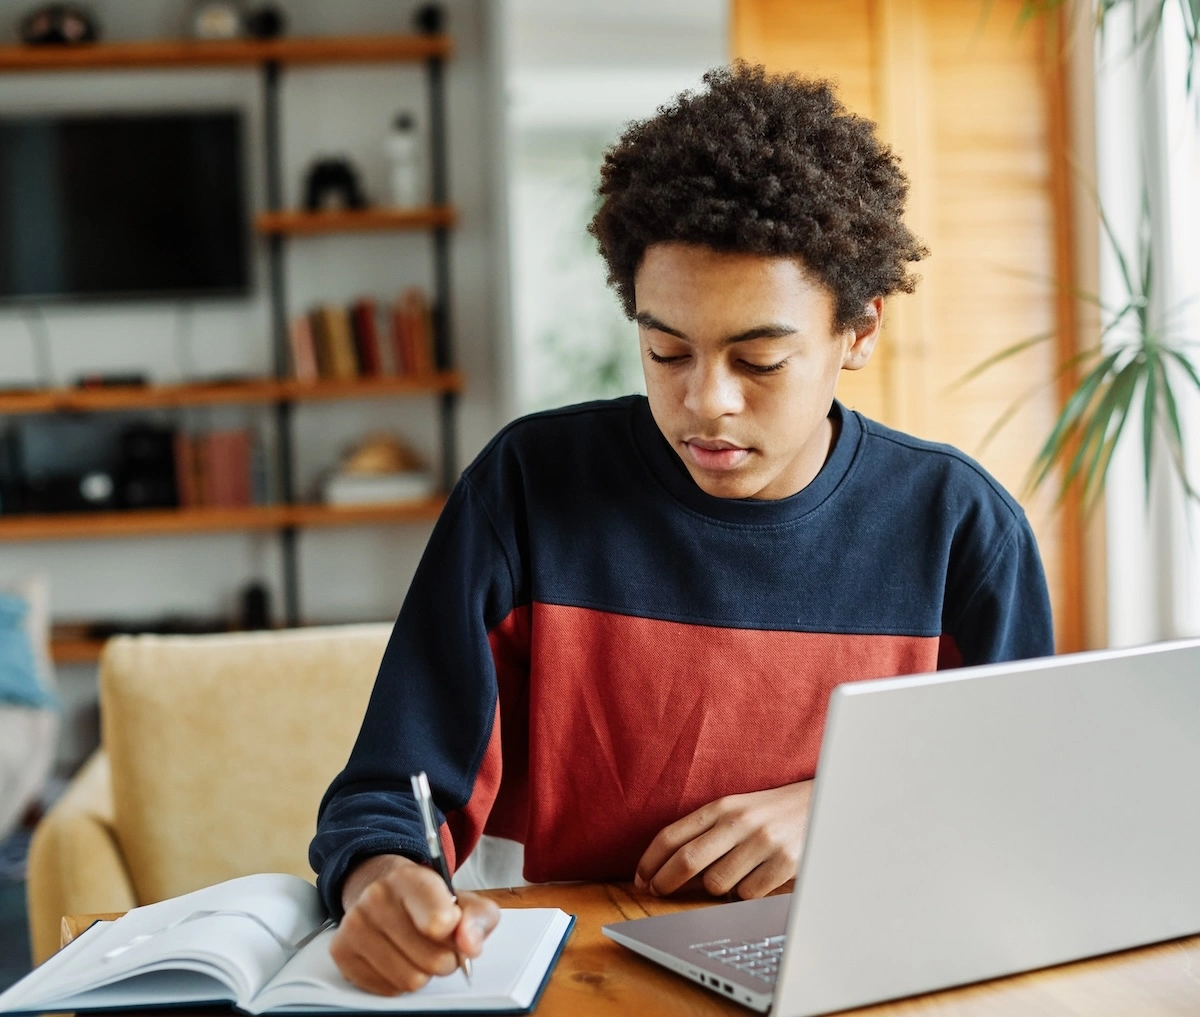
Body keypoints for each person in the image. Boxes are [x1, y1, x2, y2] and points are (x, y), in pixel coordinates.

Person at [309, 63, 1054, 996]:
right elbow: (391, 793)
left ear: (859, 332)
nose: (706, 401)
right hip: (574, 973)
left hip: (858, 974)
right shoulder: (529, 489)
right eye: (667, 350)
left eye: (760, 360)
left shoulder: (961, 529)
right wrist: (385, 880)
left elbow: (1017, 809)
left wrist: (846, 810)